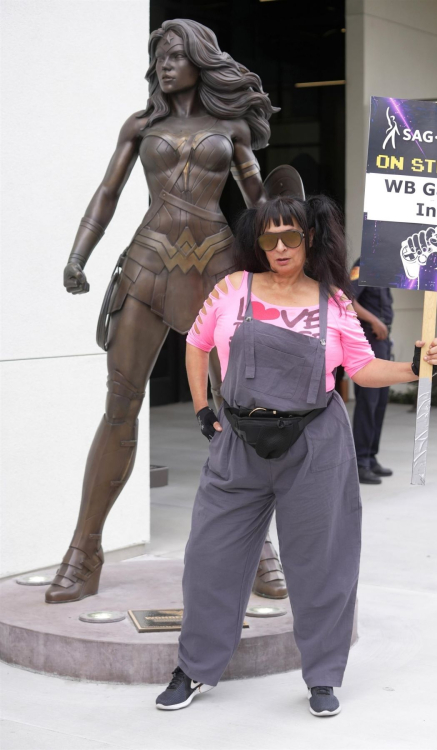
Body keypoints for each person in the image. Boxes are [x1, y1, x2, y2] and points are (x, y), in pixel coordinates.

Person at [155, 196, 437, 717]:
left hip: (315, 443)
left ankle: (324, 676)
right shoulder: (230, 289)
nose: (280, 248)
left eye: (290, 236)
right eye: (269, 238)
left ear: (310, 239)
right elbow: (197, 344)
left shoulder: (332, 302)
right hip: (238, 441)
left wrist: (413, 369)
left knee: (323, 562)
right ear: (256, 243)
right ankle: (195, 668)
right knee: (209, 559)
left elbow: (360, 368)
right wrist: (202, 407)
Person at [45, 18, 287, 604]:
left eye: (177, 54)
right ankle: (84, 551)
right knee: (119, 406)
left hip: (220, 268)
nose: (166, 64)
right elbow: (108, 193)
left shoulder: (230, 127)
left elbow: (261, 203)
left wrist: (291, 264)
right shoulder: (141, 124)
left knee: (240, 409)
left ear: (201, 60)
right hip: (148, 266)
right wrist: (78, 256)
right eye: (159, 56)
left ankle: (260, 548)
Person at [350, 259, 394, 484]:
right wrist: (374, 320)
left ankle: (371, 456)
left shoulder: (383, 266)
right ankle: (360, 462)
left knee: (380, 401)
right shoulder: (365, 263)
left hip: (383, 342)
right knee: (368, 401)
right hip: (369, 340)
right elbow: (347, 299)